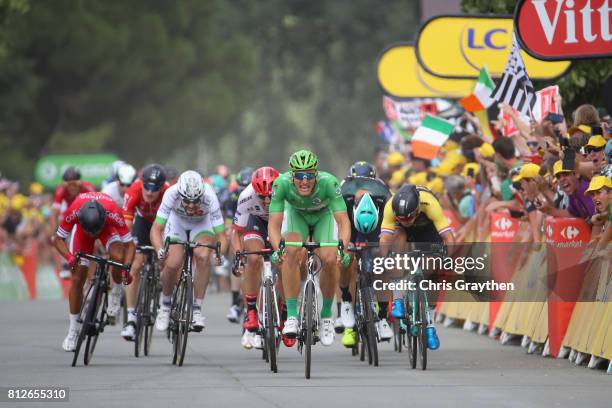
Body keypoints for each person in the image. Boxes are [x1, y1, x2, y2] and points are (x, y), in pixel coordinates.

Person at [268, 149, 351, 346]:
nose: (304, 181)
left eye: (309, 175)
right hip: (298, 217)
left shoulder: (328, 183)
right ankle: (292, 316)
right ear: (291, 175)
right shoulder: (281, 184)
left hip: (324, 217)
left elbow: (343, 221)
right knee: (289, 253)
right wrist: (276, 248)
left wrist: (343, 249)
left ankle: (326, 316)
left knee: (331, 259)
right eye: (299, 176)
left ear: (316, 174)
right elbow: (274, 224)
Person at [53, 192, 135, 351]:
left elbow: (130, 245)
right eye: (91, 231)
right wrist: (70, 258)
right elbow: (57, 239)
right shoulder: (74, 211)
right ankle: (73, 331)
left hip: (107, 229)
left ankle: (116, 292)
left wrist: (127, 267)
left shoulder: (113, 213)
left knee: (118, 257)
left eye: (95, 231)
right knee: (77, 278)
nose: (93, 235)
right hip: (81, 234)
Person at [379, 184, 456, 351]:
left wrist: (448, 260)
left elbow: (449, 238)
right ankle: (398, 300)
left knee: (432, 269)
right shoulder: (390, 208)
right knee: (397, 242)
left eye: (408, 218)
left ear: (417, 210)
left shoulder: (430, 204)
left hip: (427, 229)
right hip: (401, 234)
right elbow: (385, 239)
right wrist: (385, 261)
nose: (406, 221)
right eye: (401, 218)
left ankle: (430, 325)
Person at [151, 170, 228, 332]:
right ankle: (164, 306)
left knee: (203, 256)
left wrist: (219, 253)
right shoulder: (171, 194)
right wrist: (159, 250)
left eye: (196, 201)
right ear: (180, 195)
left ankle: (197, 309)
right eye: (187, 201)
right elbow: (156, 229)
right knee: (172, 264)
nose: (191, 205)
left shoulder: (210, 197)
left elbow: (221, 234)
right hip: (177, 223)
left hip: (201, 225)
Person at [338, 161, 392, 347]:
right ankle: (346, 305)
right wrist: (343, 249)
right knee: (346, 260)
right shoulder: (343, 192)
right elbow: (337, 224)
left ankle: (383, 315)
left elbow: (391, 225)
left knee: (382, 265)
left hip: (375, 224)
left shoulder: (383, 193)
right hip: (350, 225)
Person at [231, 166, 280, 349]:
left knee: (287, 260)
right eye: (262, 197)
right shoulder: (246, 196)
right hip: (256, 222)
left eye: (270, 196)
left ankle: (283, 310)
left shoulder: (287, 190)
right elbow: (236, 233)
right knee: (253, 259)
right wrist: (238, 257)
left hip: (281, 221)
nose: (267, 201)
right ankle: (251, 310)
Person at [119, 164, 169, 340]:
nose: (149, 192)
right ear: (141, 183)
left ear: (162, 186)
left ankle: (164, 293)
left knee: (167, 260)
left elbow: (173, 225)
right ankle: (131, 318)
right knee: (136, 264)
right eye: (146, 186)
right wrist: (129, 246)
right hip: (141, 223)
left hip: (162, 225)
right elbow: (127, 225)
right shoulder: (133, 190)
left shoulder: (168, 193)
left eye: (154, 188)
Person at [50, 167, 96, 279]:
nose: (72, 188)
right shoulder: (60, 189)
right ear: (65, 184)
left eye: (74, 184)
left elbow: (98, 206)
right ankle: (66, 263)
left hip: (86, 212)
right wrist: (54, 233)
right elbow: (54, 213)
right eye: (69, 185)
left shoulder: (88, 187)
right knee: (62, 233)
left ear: (80, 183)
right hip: (70, 211)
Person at [226, 167, 254, 324]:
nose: (245, 190)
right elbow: (230, 224)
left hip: (256, 222)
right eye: (241, 187)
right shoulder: (234, 196)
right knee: (237, 258)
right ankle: (235, 301)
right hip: (240, 224)